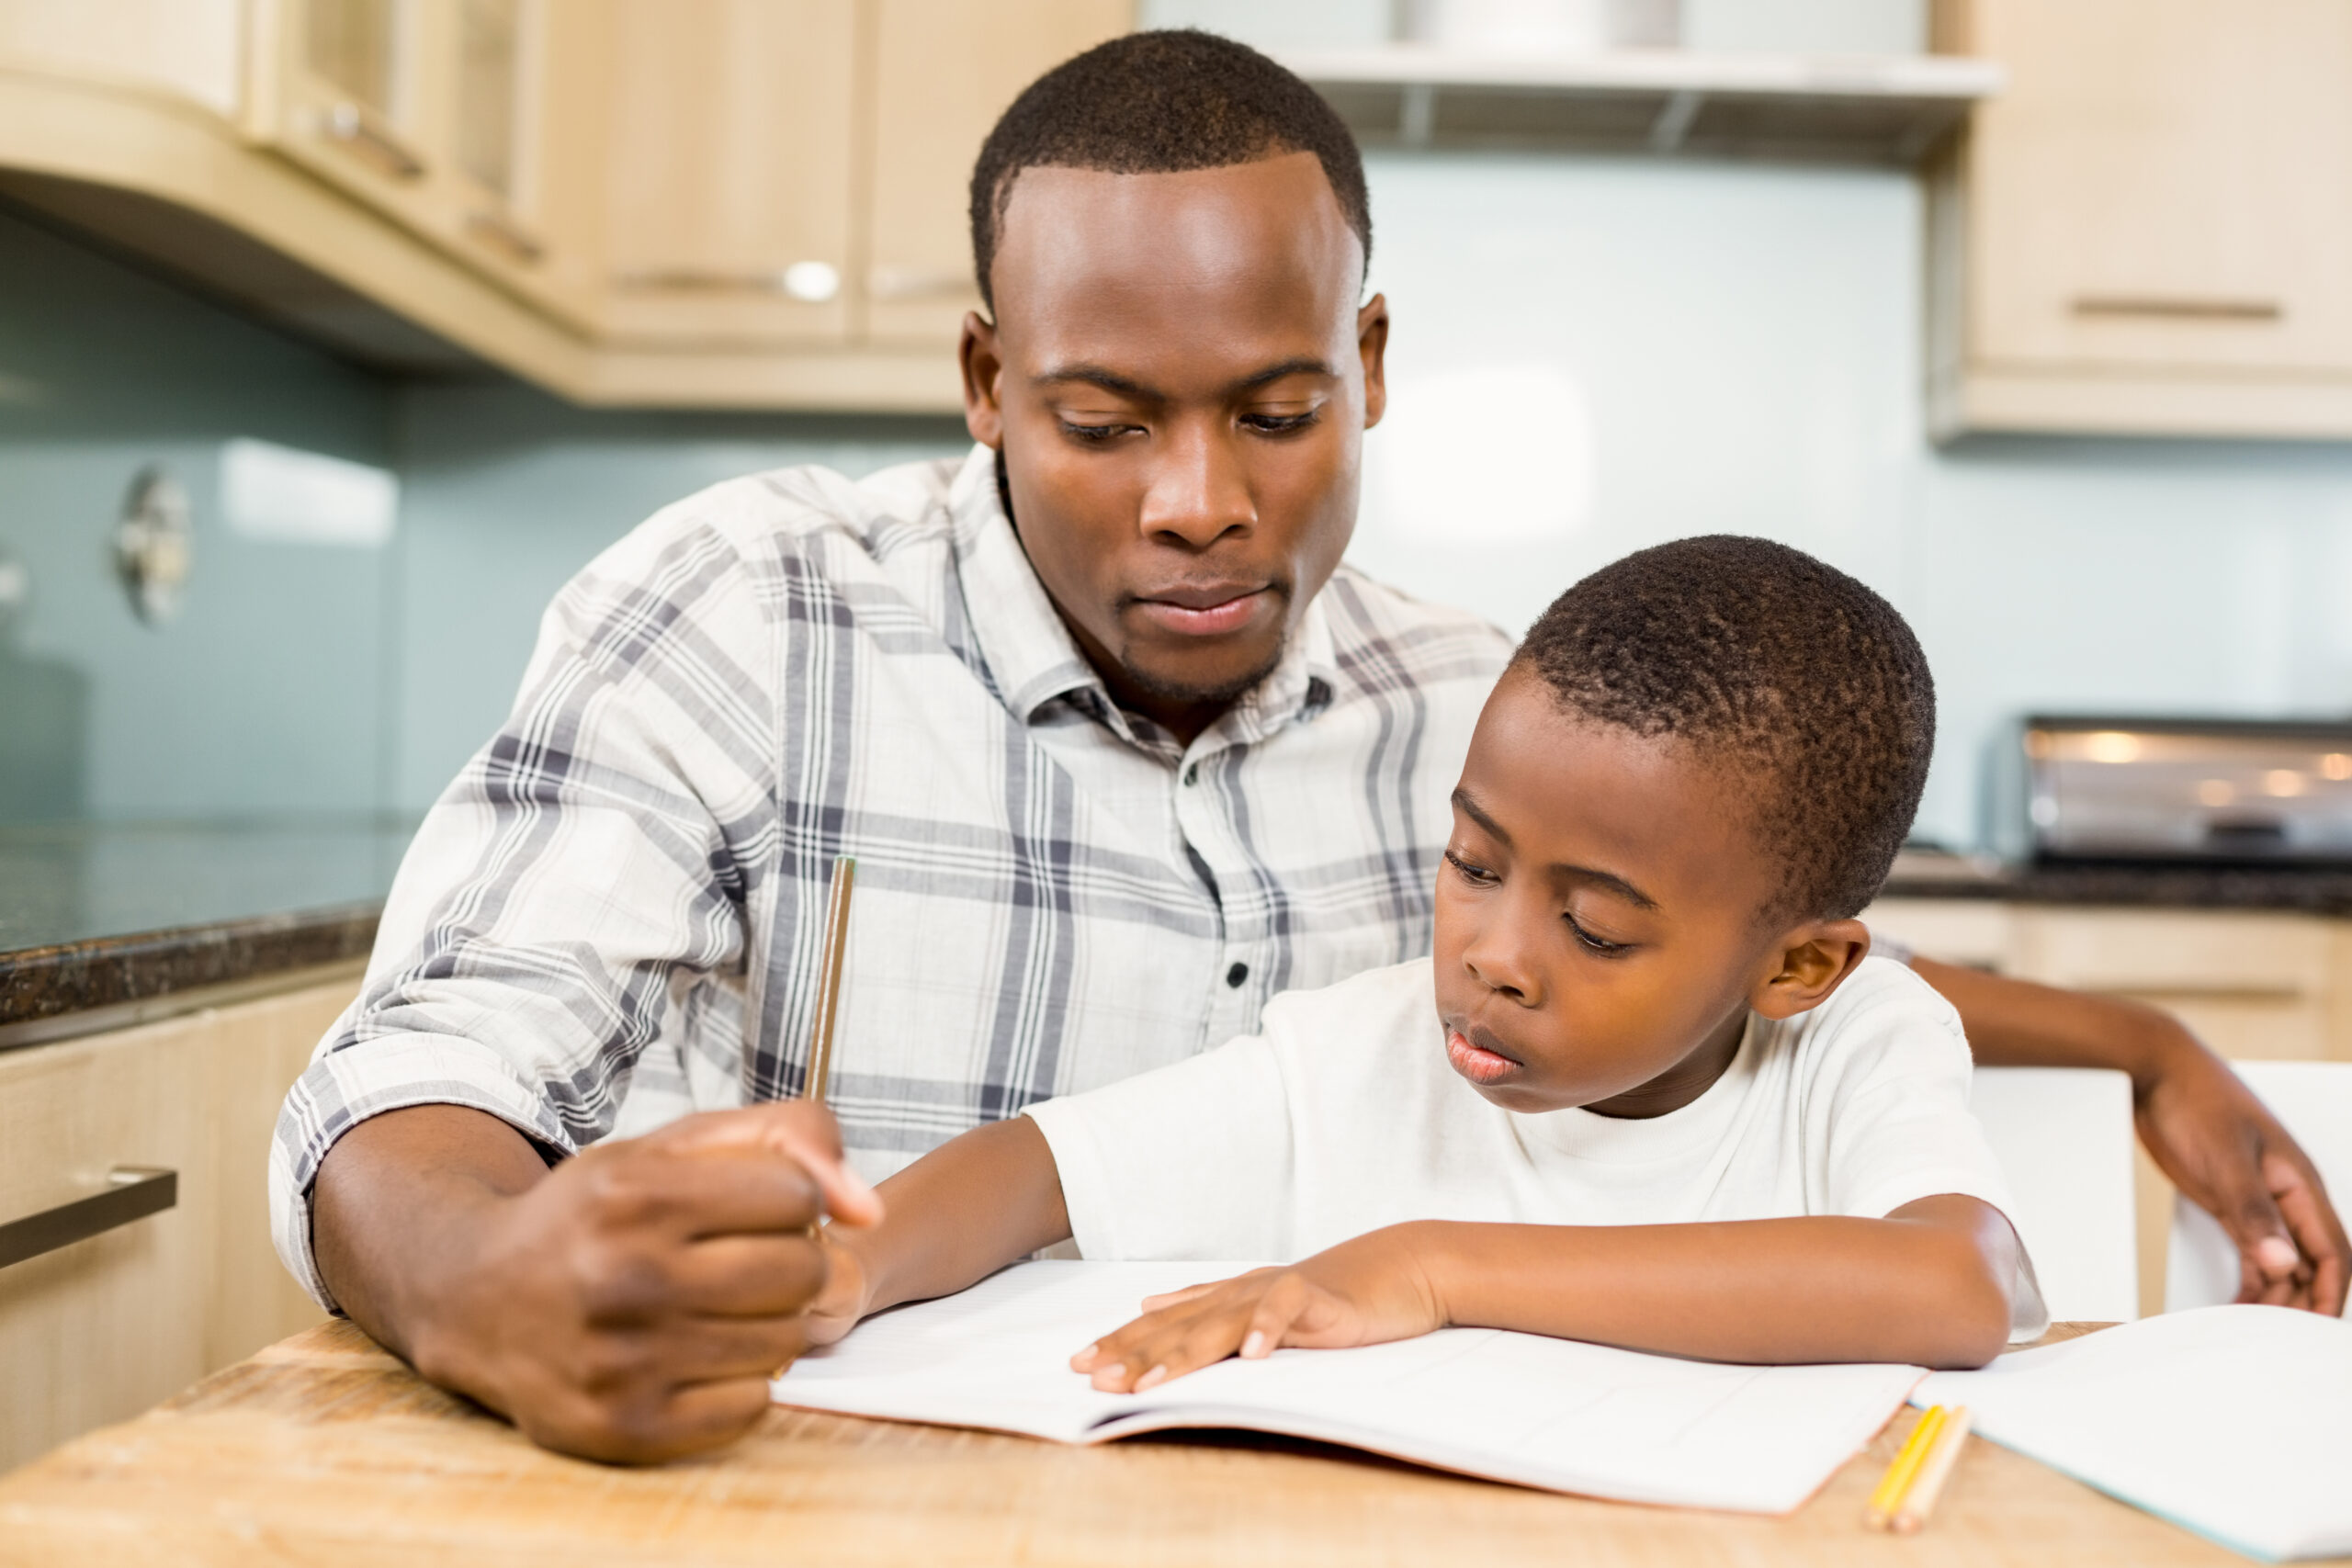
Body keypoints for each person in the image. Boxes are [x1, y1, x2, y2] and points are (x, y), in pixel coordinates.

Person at [273, 29, 2346, 1463]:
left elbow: (1737, 956)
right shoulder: (743, 608)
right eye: (1103, 421)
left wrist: (2139, 1039)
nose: (1198, 499)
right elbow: (427, 1066)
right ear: (988, 382)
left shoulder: (1484, 708)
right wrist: (478, 1275)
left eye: (1274, 413)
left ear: (1364, 363)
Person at [809, 536, 2042, 1380]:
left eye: (1598, 929)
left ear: (1797, 971)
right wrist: (851, 1266)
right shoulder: (1365, 1050)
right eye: (1474, 864)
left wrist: (1432, 1265)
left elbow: (1958, 1286)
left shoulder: (1854, 1040)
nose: (1494, 957)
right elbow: (1036, 1171)